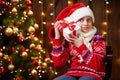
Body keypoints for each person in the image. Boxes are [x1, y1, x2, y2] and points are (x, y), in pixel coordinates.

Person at [48, 2, 106, 80]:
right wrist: (57, 38)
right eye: (81, 20)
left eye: (89, 20)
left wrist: (80, 45)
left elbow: (98, 65)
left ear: (92, 22)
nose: (85, 23)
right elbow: (58, 64)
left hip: (93, 73)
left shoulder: (98, 38)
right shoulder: (70, 38)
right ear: (74, 22)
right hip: (73, 73)